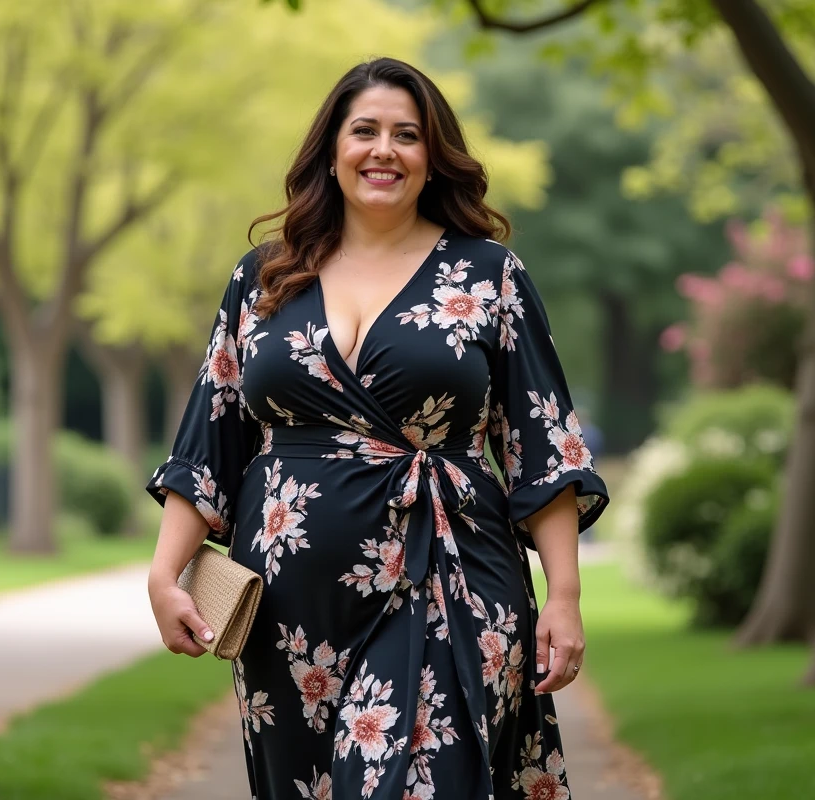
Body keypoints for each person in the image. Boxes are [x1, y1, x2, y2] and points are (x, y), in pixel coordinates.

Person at [146, 57, 609, 800]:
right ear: (332, 151)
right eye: (364, 131)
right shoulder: (264, 277)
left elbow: (542, 445)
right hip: (288, 606)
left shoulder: (488, 275)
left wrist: (564, 597)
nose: (383, 150)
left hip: (451, 577)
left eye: (407, 135)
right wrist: (165, 574)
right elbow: (210, 438)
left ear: (433, 159)